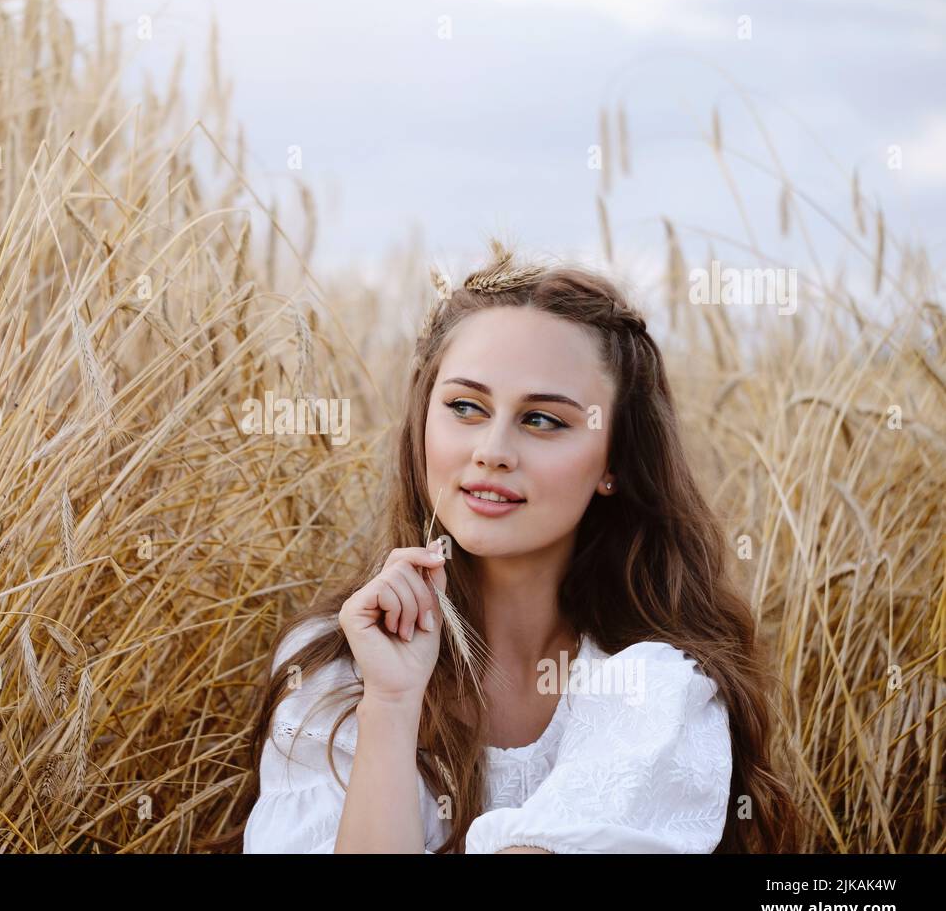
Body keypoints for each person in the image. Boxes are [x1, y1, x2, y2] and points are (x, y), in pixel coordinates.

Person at [203, 242, 800, 853]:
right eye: (465, 407)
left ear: (614, 460)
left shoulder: (653, 688)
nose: (492, 449)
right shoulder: (332, 669)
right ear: (423, 423)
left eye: (543, 420)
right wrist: (390, 703)